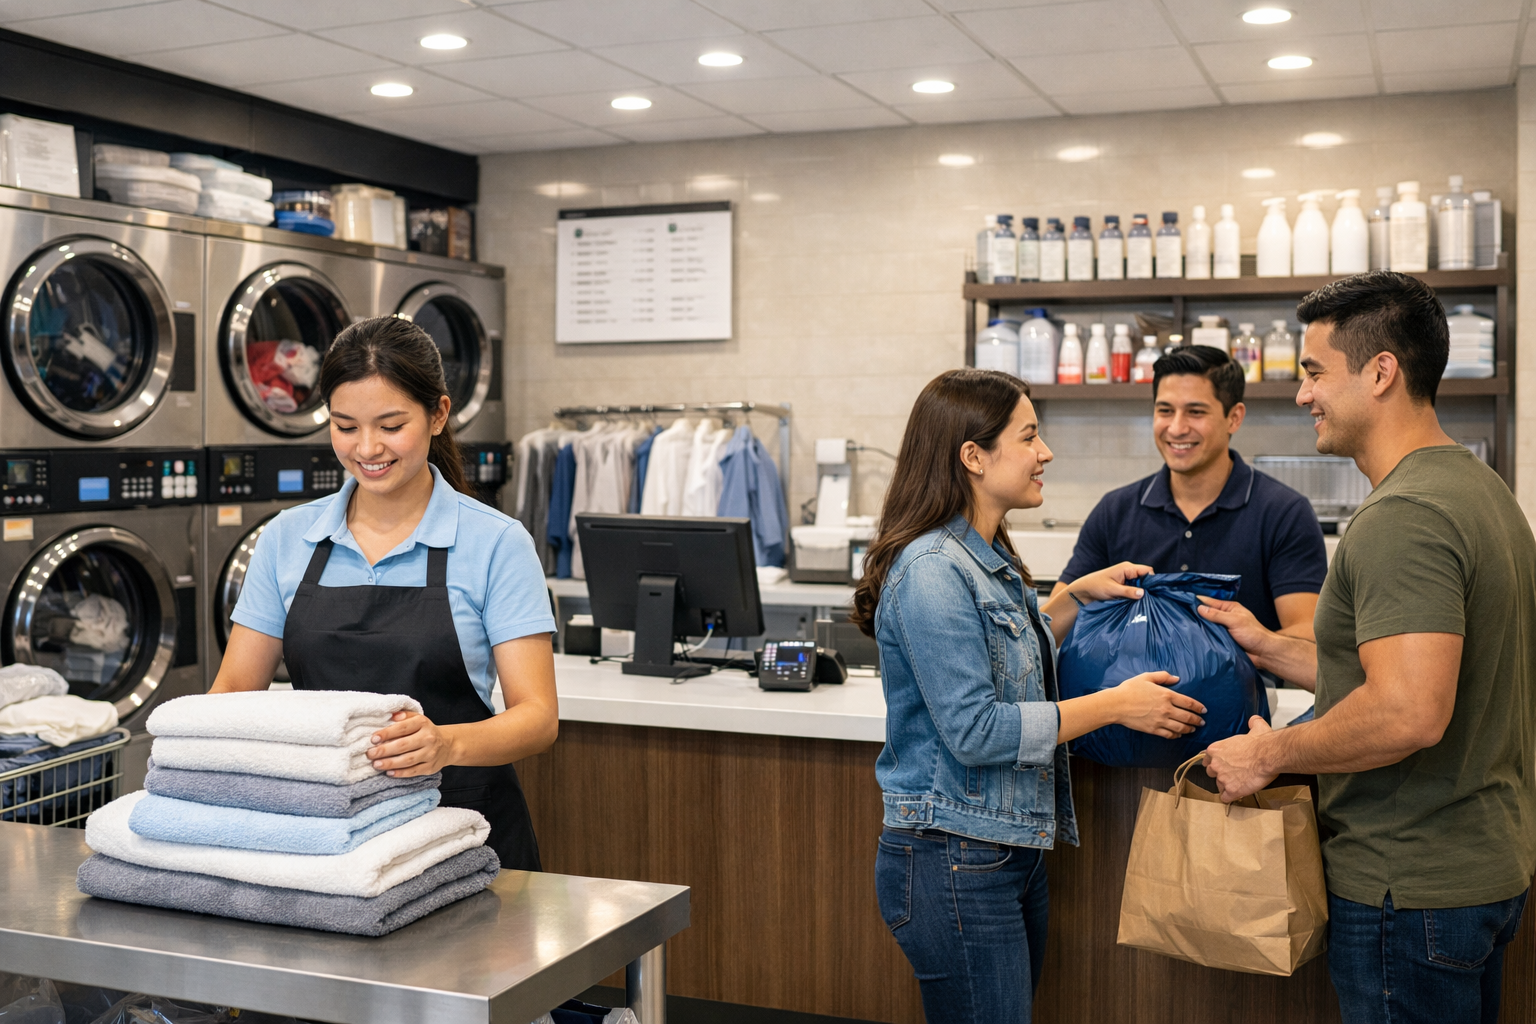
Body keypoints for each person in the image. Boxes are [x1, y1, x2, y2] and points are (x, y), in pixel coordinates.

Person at [1198, 272, 1536, 1024]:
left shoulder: (1403, 515)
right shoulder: (1481, 492)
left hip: (1407, 886)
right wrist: (1266, 646)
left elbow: (1409, 711)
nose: (1302, 394)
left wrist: (1269, 755)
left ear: (1381, 371)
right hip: (1479, 869)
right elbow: (1402, 668)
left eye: (1315, 371)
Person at [851, 368, 1207, 1023]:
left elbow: (1009, 650)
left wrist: (1075, 596)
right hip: (953, 857)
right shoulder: (932, 570)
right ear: (974, 456)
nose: (1045, 453)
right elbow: (977, 730)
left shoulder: (984, 557)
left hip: (1000, 850)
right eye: (1030, 437)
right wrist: (1118, 704)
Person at [212, 316, 559, 870]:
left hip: (464, 837)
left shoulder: (495, 542)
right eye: (345, 426)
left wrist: (445, 745)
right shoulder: (285, 538)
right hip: (329, 837)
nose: (367, 448)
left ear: (438, 415)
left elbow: (538, 716)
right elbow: (233, 688)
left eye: (391, 425)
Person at [1053, 345, 1326, 639]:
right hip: (1126, 685)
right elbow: (1052, 628)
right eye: (1165, 411)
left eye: (1195, 412)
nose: (1177, 428)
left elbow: (1307, 636)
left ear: (1234, 417)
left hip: (1245, 685)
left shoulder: (1284, 513)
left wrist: (1250, 641)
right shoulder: (1114, 511)